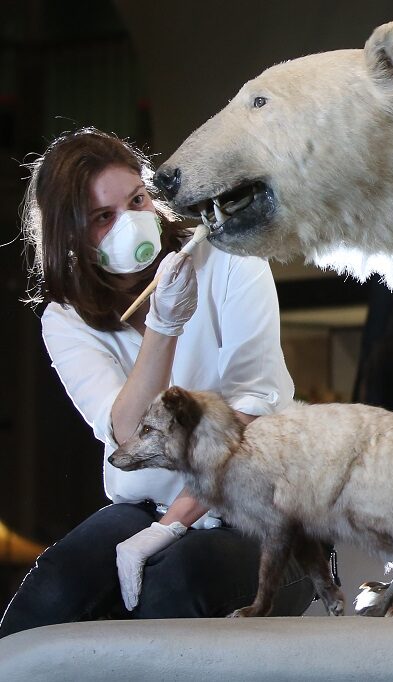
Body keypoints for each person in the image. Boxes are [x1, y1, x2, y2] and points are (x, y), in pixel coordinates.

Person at [0, 128, 314, 638]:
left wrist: (171, 528)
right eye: (103, 218)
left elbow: (250, 416)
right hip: (145, 505)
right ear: (70, 236)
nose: (131, 223)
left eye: (137, 200)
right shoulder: (65, 318)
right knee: (50, 596)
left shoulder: (229, 258)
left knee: (173, 591)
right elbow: (127, 434)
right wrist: (162, 329)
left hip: (261, 506)